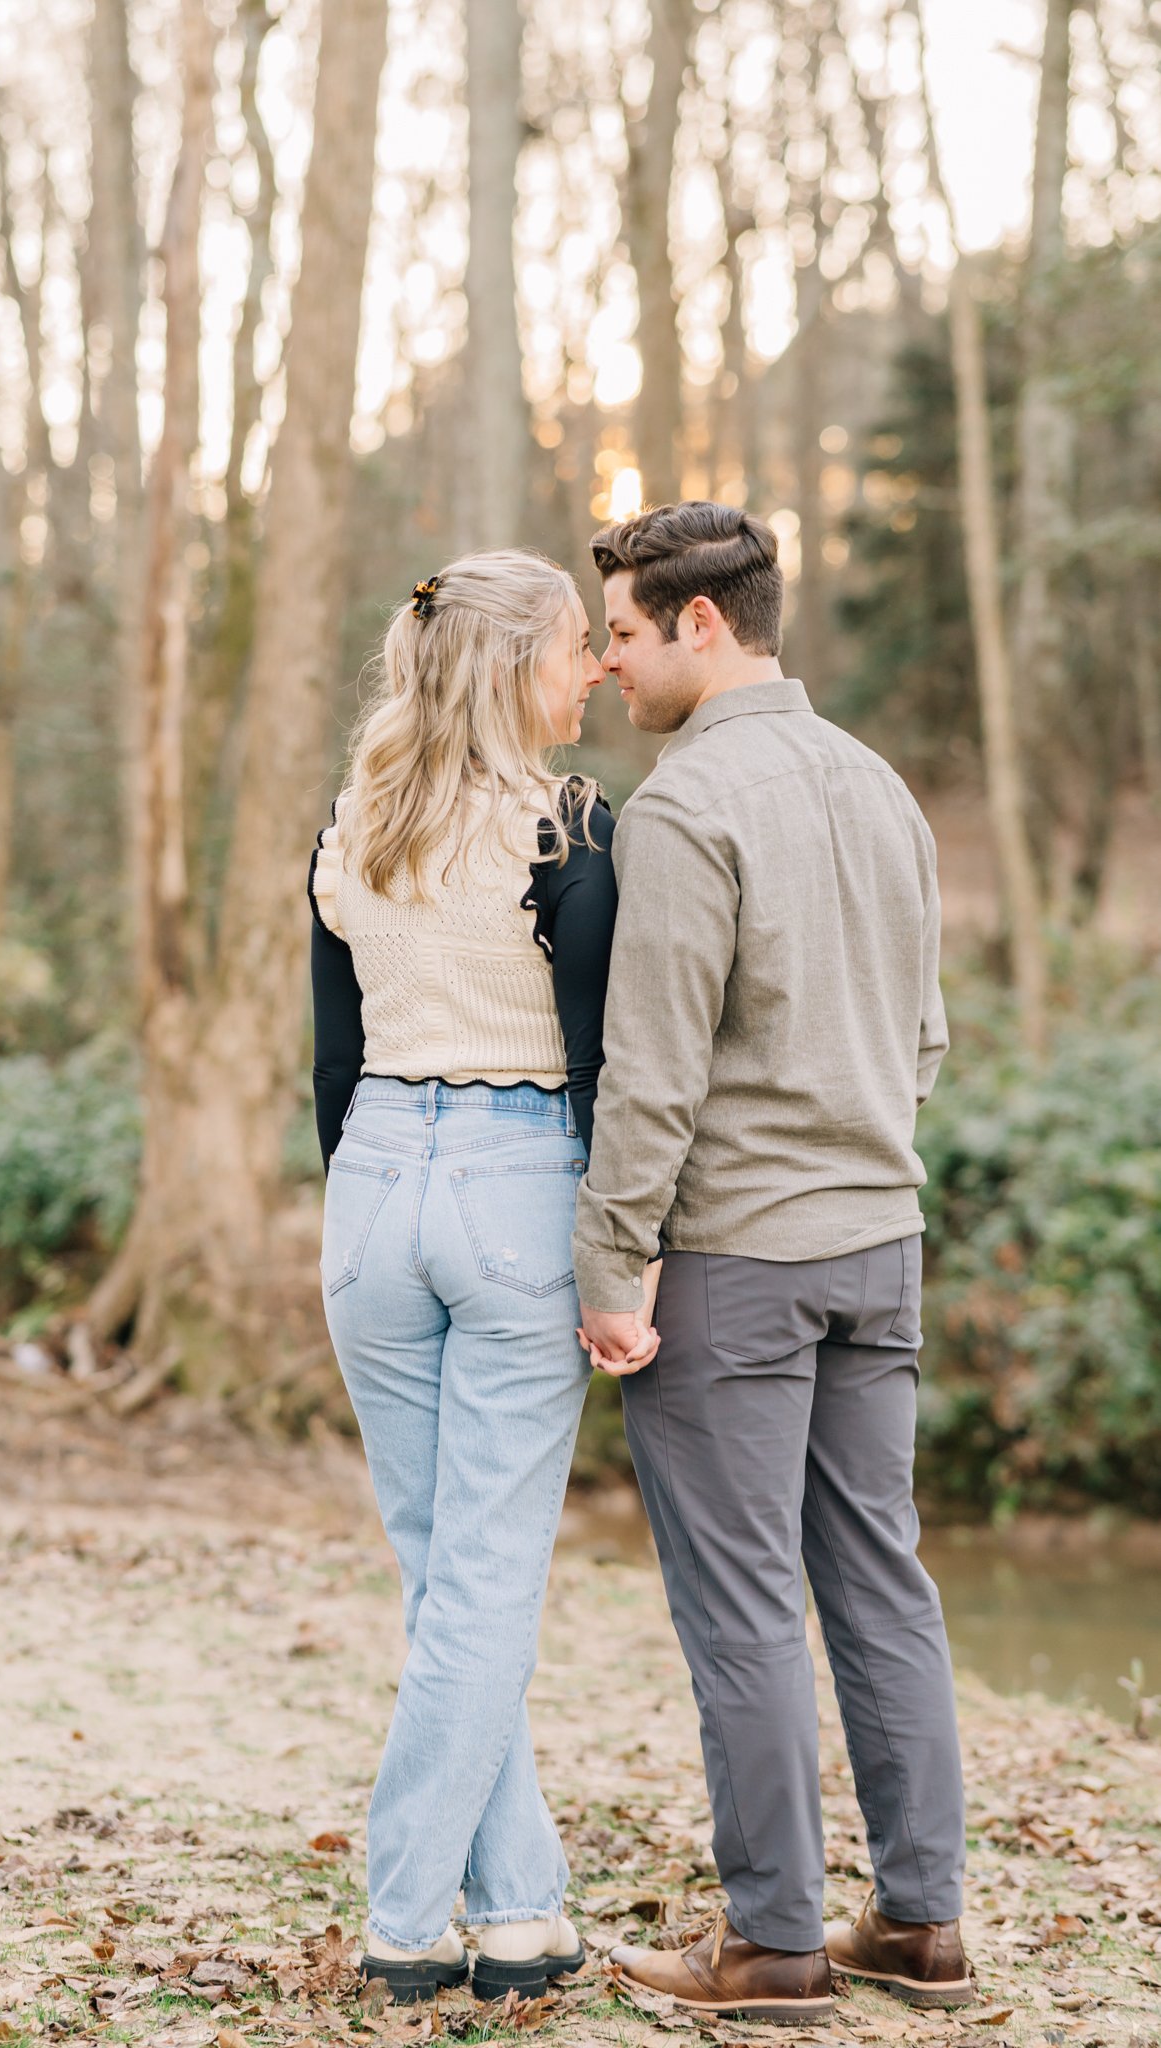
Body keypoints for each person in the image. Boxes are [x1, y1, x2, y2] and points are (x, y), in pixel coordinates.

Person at [575, 502, 974, 2023]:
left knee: (741, 1601)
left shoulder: (686, 807)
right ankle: (925, 1927)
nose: (609, 665)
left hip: (734, 1258)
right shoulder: (883, 789)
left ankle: (774, 1946)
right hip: (881, 1242)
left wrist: (612, 1263)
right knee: (883, 1580)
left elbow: (653, 1066)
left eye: (620, 633)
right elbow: (922, 1040)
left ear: (697, 624)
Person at [308, 549, 655, 2005]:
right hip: (519, 1173)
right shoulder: (572, 830)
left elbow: (334, 1058)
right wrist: (620, 1250)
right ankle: (404, 1918)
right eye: (580, 646)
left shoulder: (353, 823)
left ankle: (521, 1912)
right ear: (520, 663)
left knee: (449, 1573)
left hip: (373, 1182)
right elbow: (608, 1064)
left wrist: (369, 1188)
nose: (595, 670)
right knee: (484, 1580)